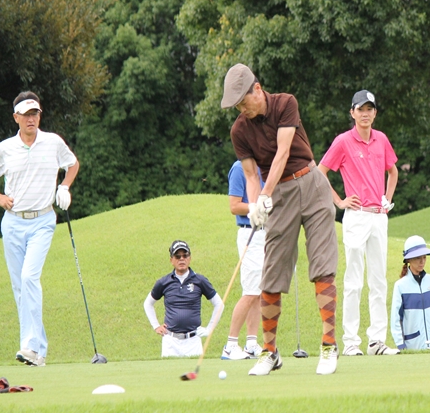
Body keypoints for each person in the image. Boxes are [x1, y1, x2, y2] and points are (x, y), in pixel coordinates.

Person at [220, 63, 339, 376]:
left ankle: (329, 345)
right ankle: (269, 351)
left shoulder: (286, 103)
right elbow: (250, 174)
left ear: (258, 89)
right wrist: (255, 204)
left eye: (244, 102)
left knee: (322, 266)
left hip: (311, 185)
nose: (242, 110)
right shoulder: (239, 130)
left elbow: (283, 153)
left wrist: (264, 194)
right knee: (270, 275)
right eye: (237, 107)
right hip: (280, 197)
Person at [0, 92, 79, 367]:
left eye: (35, 114)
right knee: (20, 286)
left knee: (29, 277)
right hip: (13, 222)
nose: (31, 119)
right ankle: (38, 352)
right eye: (26, 114)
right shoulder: (5, 148)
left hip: (42, 221)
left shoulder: (53, 142)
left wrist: (64, 186)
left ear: (39, 116)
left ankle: (29, 346)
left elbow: (72, 164)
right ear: (16, 118)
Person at [319, 90, 399, 356]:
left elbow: (393, 171)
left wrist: (388, 199)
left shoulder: (381, 139)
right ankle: (351, 342)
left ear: (375, 113)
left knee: (379, 281)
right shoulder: (343, 141)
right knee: (354, 281)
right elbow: (321, 172)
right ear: (352, 112)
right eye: (360, 109)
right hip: (356, 215)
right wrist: (339, 202)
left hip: (378, 216)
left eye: (369, 109)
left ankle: (376, 341)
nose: (365, 114)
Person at [143, 240, 224, 357]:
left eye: (185, 255)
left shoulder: (200, 281)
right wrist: (156, 326)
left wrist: (209, 329)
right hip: (170, 341)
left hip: (193, 341)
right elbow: (148, 303)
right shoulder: (163, 282)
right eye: (177, 256)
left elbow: (219, 304)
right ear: (171, 260)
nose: (182, 259)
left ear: (189, 258)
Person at [220, 160, 265, 361]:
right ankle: (230, 345)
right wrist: (256, 207)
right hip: (250, 233)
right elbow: (234, 206)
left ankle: (251, 343)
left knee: (259, 293)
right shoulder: (239, 168)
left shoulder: (266, 167)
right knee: (250, 292)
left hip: (266, 233)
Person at [390, 235, 430, 350]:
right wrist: (401, 345)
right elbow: (396, 320)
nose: (422, 261)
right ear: (409, 260)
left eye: (424, 257)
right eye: (418, 258)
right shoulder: (400, 286)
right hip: (412, 346)